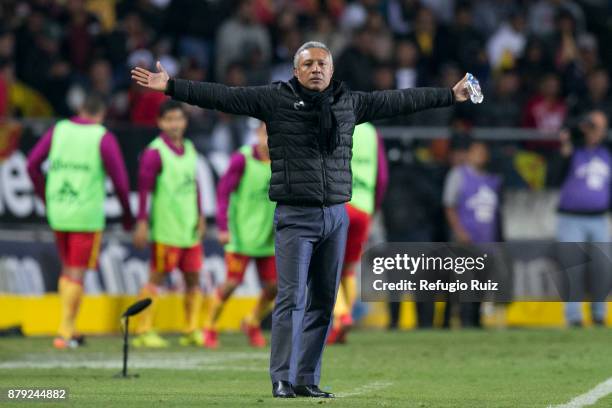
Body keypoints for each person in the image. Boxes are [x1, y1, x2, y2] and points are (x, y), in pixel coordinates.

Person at [131, 40, 469, 398]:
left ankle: (307, 378)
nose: (316, 69)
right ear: (296, 71)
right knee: (291, 299)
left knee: (323, 301)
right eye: (308, 64)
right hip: (296, 216)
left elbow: (402, 100)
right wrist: (171, 86)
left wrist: (450, 94)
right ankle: (281, 378)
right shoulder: (275, 100)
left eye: (322, 63)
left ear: (332, 70)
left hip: (336, 216)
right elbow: (223, 96)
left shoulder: (350, 103)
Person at [26, 93, 133, 349]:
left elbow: (32, 164)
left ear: (81, 108)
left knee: (67, 269)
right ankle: (64, 330)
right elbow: (120, 180)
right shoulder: (102, 136)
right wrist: (128, 214)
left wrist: (45, 196)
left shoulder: (58, 129)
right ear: (101, 114)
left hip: (59, 211)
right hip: (85, 215)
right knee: (77, 271)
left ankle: (70, 328)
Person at [132, 100, 206, 347]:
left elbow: (194, 184)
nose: (175, 124)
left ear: (185, 122)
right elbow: (144, 191)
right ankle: (143, 331)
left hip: (189, 227)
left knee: (194, 278)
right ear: (160, 123)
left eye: (179, 119)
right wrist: (142, 223)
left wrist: (201, 215)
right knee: (157, 278)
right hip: (166, 228)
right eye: (170, 120)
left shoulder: (190, 147)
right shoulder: (155, 153)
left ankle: (191, 329)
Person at [204, 120, 277, 349]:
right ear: (256, 133)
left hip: (269, 237)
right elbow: (224, 193)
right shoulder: (242, 159)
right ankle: (209, 326)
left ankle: (252, 321)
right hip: (241, 235)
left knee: (275, 287)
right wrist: (224, 227)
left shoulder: (284, 161)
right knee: (231, 283)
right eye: (266, 132)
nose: (269, 138)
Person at [327, 122, 388, 344]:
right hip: (364, 209)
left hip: (338, 204)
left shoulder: (333, 124)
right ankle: (343, 320)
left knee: (324, 266)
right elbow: (382, 177)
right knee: (348, 268)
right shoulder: (372, 131)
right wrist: (373, 206)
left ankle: (341, 315)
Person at [557, 110, 610, 327]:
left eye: (599, 126)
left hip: (599, 218)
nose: (595, 130)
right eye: (592, 125)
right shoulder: (573, 151)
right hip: (571, 218)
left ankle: (599, 313)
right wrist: (573, 136)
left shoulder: (608, 153)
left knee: (604, 268)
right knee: (573, 268)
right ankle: (573, 316)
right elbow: (555, 175)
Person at [443, 139, 502, 327]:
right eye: (476, 151)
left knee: (481, 285)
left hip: (486, 241)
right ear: (468, 154)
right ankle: (463, 322)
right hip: (465, 241)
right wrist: (459, 231)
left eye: (483, 152)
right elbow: (449, 205)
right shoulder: (458, 175)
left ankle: (476, 322)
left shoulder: (491, 180)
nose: (480, 156)